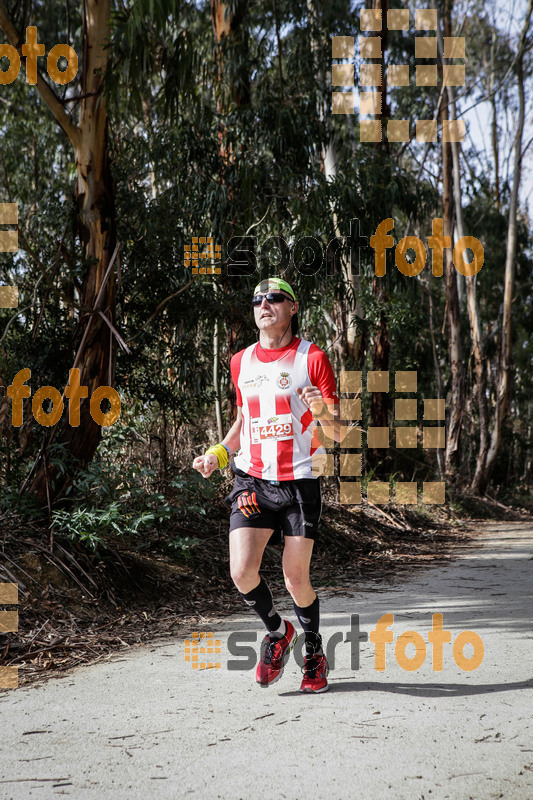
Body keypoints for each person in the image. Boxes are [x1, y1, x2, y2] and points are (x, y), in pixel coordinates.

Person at [193, 277, 344, 693]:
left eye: (274, 298)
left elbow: (338, 433)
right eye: (258, 299)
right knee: (241, 572)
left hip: (299, 483)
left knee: (295, 578)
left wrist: (322, 412)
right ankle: (279, 633)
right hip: (253, 481)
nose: (264, 304)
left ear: (292, 308)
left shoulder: (312, 358)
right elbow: (243, 424)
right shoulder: (240, 362)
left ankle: (313, 650)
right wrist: (216, 455)